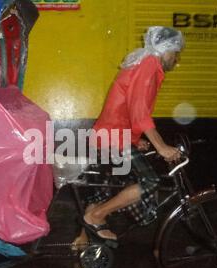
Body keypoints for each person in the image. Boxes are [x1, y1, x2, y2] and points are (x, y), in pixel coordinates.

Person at [73, 26, 185, 247]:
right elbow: (139, 113)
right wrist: (161, 146)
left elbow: (127, 107)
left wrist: (137, 139)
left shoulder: (146, 65)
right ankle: (96, 217)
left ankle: (83, 240)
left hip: (113, 135)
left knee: (104, 188)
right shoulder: (149, 66)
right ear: (166, 50)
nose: (177, 59)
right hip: (114, 137)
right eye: (177, 53)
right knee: (150, 181)